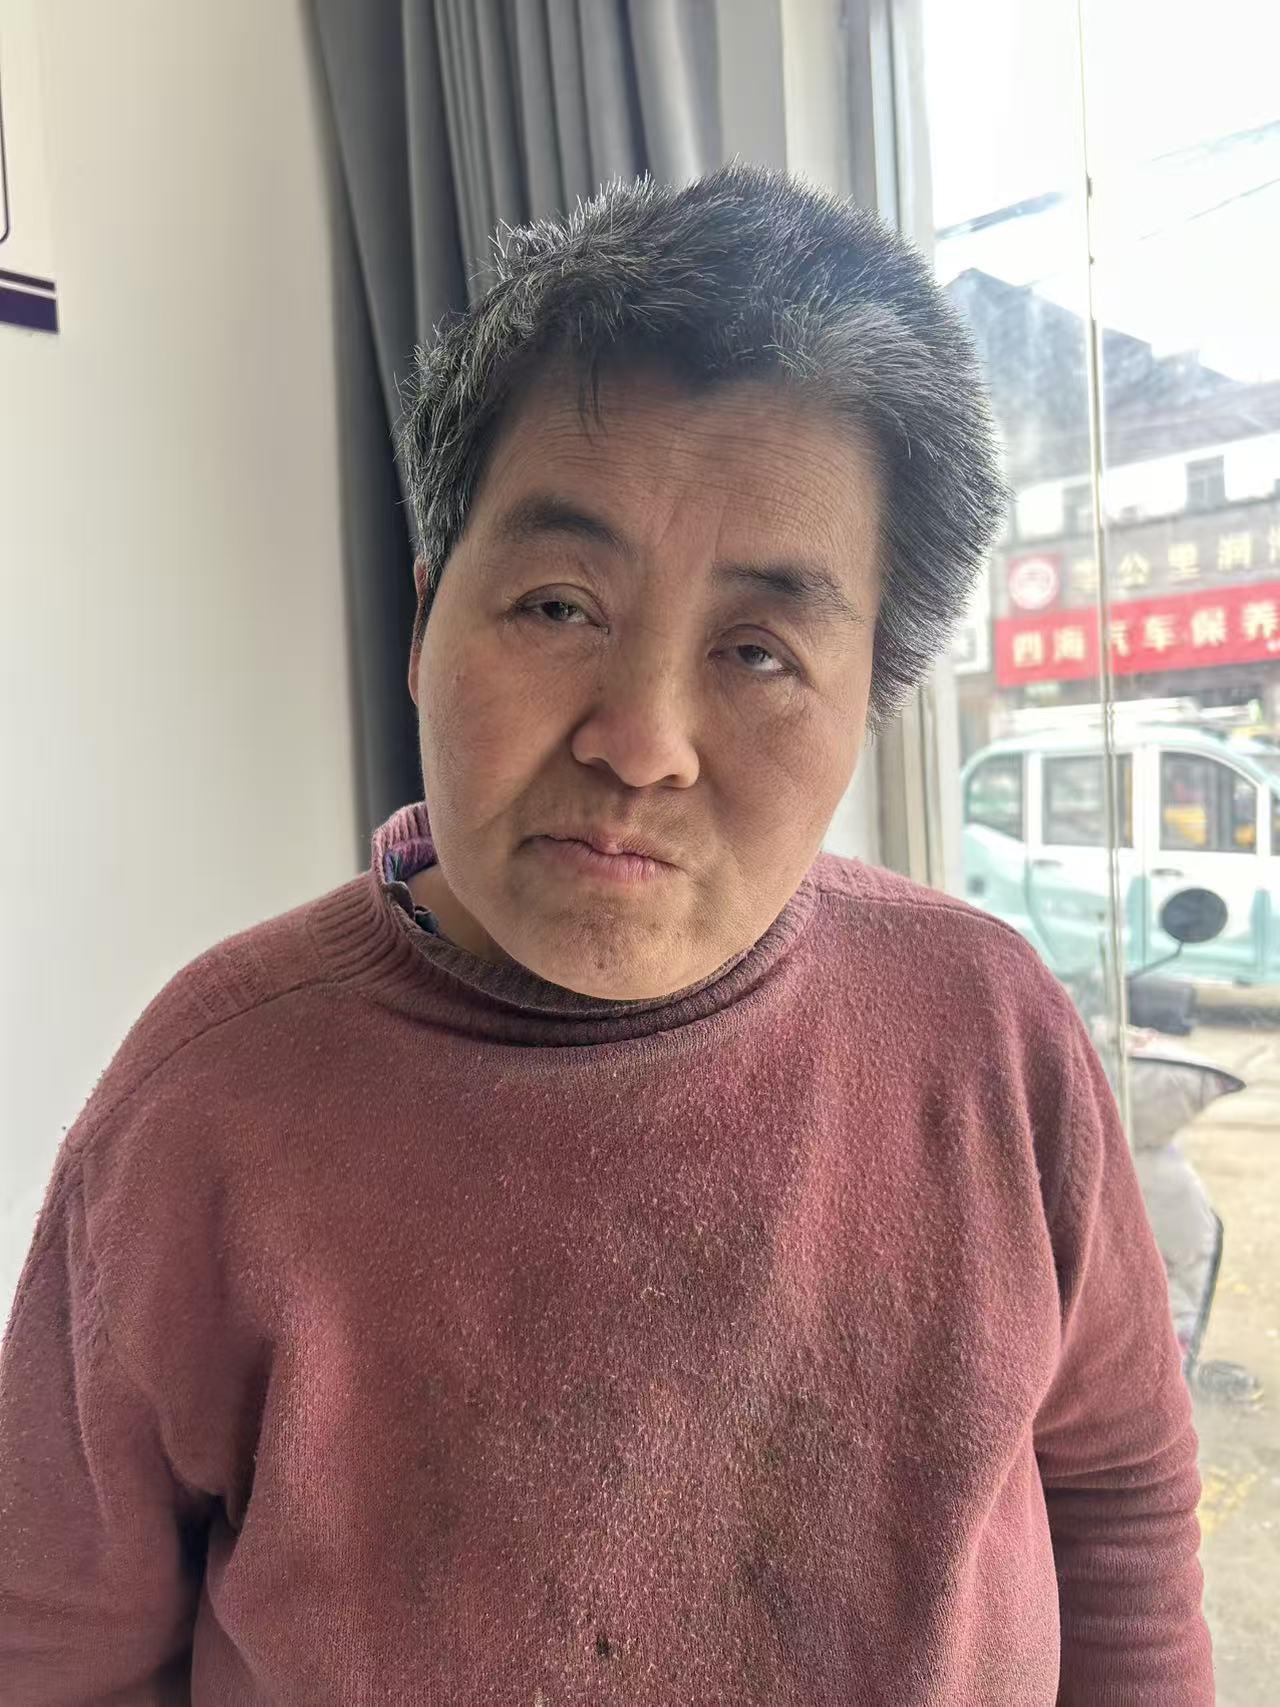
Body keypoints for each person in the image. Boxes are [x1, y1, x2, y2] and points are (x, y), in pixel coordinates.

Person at [0, 164, 1213, 1704]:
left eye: (759, 652)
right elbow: (55, 1657)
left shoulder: (988, 1030)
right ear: (426, 624)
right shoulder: (206, 1112)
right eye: (559, 607)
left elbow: (1118, 1507)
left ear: (869, 705)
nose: (640, 742)